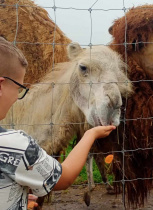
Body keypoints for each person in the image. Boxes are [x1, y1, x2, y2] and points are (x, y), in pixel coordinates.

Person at [0, 37, 116, 209]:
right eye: (19, 88)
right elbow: (65, 178)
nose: (18, 96)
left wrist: (15, 197)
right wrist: (91, 134)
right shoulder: (14, 145)